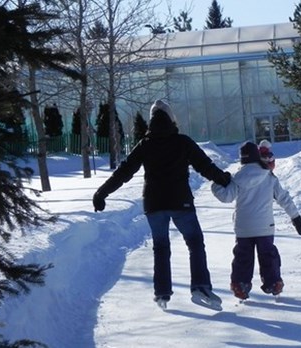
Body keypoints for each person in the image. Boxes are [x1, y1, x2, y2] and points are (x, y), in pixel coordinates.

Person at [92, 99, 231, 310]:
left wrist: (102, 193)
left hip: (154, 204)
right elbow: (205, 166)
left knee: (161, 248)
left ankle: (162, 293)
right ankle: (200, 287)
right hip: (180, 201)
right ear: (171, 119)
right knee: (195, 243)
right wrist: (224, 179)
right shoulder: (182, 142)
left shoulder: (145, 145)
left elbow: (124, 171)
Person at [211, 142, 301, 300]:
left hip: (244, 228)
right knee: (268, 255)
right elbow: (283, 198)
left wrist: (216, 184)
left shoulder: (237, 178)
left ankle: (240, 285)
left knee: (243, 257)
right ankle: (273, 282)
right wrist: (295, 217)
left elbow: (225, 197)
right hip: (265, 227)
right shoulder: (269, 176)